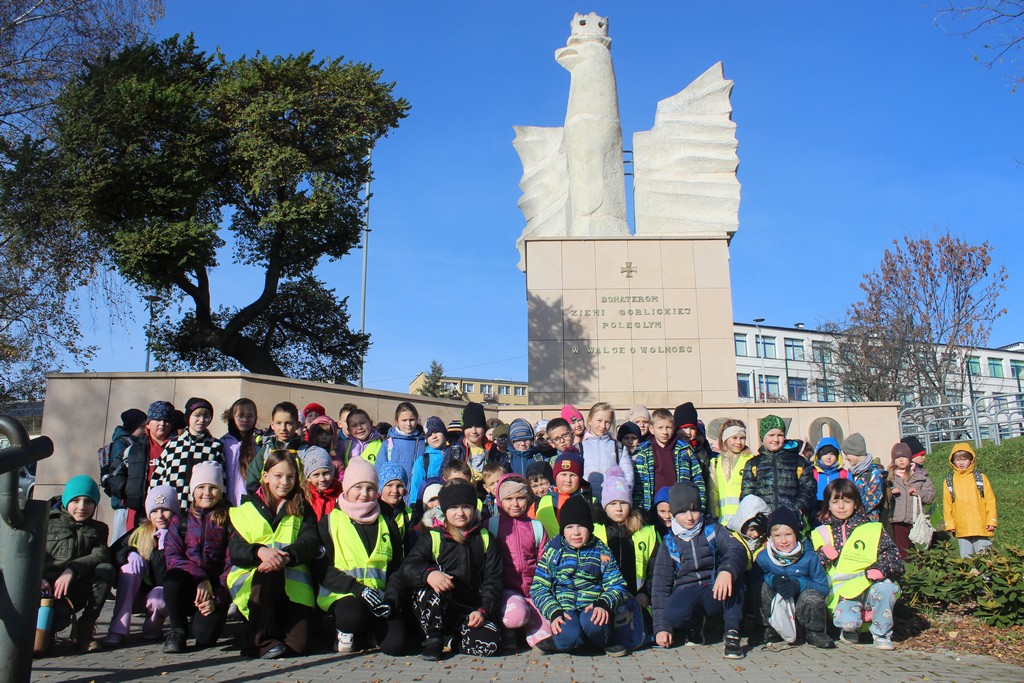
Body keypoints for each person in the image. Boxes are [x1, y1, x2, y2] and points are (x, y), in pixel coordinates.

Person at [229, 450, 320, 659]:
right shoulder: (246, 509)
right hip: (255, 584)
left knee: (299, 646)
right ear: (265, 476)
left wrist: (285, 557)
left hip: (292, 586)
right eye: (278, 476)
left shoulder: (302, 507)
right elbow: (235, 549)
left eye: (290, 477)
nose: (285, 482)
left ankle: (275, 633)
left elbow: (310, 542)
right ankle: (257, 643)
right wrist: (259, 551)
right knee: (267, 572)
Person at [400, 480, 504, 661]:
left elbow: (493, 579)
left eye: (466, 507)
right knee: (430, 587)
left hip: (469, 609)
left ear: (474, 508)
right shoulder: (433, 536)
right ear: (445, 510)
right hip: (438, 608)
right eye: (454, 507)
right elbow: (407, 568)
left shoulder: (485, 538)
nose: (460, 513)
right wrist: (429, 574)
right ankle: (433, 638)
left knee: (489, 643)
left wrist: (482, 610)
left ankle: (452, 641)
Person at [317, 457, 407, 656]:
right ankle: (344, 633)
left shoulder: (387, 521)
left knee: (396, 644)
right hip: (346, 594)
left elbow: (396, 567)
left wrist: (392, 598)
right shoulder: (330, 521)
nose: (364, 494)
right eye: (358, 487)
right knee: (352, 617)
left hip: (379, 596)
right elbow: (323, 569)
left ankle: (369, 632)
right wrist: (358, 590)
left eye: (370, 488)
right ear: (347, 489)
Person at [651, 482, 746, 659]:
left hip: (714, 588)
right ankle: (695, 625)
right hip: (687, 590)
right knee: (673, 613)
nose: (689, 517)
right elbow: (660, 587)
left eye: (694, 510)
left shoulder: (713, 529)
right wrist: (661, 628)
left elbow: (736, 549)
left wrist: (726, 571)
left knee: (735, 576)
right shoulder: (669, 543)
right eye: (682, 512)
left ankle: (732, 633)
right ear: (674, 514)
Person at [530, 496, 629, 656]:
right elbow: (539, 587)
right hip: (564, 609)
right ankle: (561, 641)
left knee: (593, 622)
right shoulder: (553, 550)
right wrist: (553, 611)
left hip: (592, 607)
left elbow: (617, 585)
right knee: (568, 635)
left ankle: (604, 641)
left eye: (581, 526)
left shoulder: (601, 551)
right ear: (563, 530)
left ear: (589, 528)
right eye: (569, 527)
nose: (576, 532)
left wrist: (603, 603)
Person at [812, 479, 903, 650]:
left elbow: (894, 557)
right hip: (842, 594)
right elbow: (810, 567)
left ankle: (882, 634)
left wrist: (881, 569)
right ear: (828, 505)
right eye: (835, 502)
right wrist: (823, 556)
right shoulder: (820, 532)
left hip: (870, 586)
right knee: (849, 622)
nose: (841, 506)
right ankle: (850, 630)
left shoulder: (873, 529)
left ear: (855, 503)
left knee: (887, 588)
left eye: (847, 501)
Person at [162, 462, 232, 653]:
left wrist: (217, 595)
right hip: (189, 583)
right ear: (193, 490)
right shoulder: (180, 521)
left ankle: (205, 618)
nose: (207, 493)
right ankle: (178, 629)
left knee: (205, 637)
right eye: (201, 487)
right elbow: (173, 557)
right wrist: (200, 578)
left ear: (221, 491)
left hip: (216, 589)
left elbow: (232, 562)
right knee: (172, 578)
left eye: (213, 488)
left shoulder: (230, 520)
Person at [42, 475, 113, 653]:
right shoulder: (46, 522)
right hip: (45, 591)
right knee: (40, 644)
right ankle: (44, 633)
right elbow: (31, 554)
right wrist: (38, 578)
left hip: (76, 588)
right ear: (66, 501)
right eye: (75, 500)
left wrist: (72, 569)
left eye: (88, 501)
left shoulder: (99, 529)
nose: (82, 507)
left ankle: (85, 629)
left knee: (106, 570)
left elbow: (100, 554)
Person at [102, 484, 176, 647]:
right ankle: (117, 629)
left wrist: (165, 547)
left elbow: (167, 575)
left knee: (159, 598)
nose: (160, 516)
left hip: (162, 596)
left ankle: (153, 629)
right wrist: (129, 553)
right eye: (155, 511)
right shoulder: (139, 533)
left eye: (165, 510)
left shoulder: (179, 534)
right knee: (129, 568)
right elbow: (113, 552)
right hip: (134, 594)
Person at [593, 469, 658, 652]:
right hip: (604, 598)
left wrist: (646, 593)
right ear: (605, 506)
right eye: (613, 503)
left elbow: (655, 569)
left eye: (623, 503)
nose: (619, 508)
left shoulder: (646, 532)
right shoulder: (595, 531)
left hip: (637, 598)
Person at [488, 474, 552, 650]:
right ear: (500, 501)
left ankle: (528, 628)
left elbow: (544, 561)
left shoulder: (536, 526)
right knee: (515, 615)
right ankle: (510, 629)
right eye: (509, 499)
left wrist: (542, 589)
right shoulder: (492, 526)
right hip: (506, 590)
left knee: (547, 639)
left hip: (534, 590)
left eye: (520, 498)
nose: (515, 504)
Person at [756, 507, 832, 649]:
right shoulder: (763, 557)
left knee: (811, 595)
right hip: (778, 613)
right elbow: (754, 581)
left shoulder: (809, 557)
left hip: (801, 613)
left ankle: (814, 632)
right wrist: (773, 579)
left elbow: (823, 588)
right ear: (770, 537)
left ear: (796, 534)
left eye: (788, 534)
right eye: (777, 535)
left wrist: (799, 584)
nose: (783, 540)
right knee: (763, 587)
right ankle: (770, 630)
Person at [150, 397, 225, 512]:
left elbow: (222, 480)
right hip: (174, 509)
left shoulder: (215, 446)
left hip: (201, 512)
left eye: (206, 416)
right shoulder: (173, 445)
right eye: (197, 415)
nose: (201, 420)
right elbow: (157, 478)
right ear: (188, 417)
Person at [740, 415, 816, 520]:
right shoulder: (753, 463)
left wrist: (796, 509)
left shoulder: (799, 462)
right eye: (771, 435)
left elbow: (809, 488)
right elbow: (747, 495)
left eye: (780, 435)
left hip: (791, 520)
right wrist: (756, 517)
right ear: (763, 437)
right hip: (763, 522)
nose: (776, 439)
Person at [632, 408, 704, 512]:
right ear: (651, 429)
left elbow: (698, 480)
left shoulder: (684, 450)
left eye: (668, 428)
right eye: (660, 428)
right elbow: (639, 485)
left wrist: (700, 507)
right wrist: (639, 511)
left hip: (680, 507)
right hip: (651, 508)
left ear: (674, 428)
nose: (665, 432)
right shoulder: (643, 451)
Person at [123, 401, 177, 528]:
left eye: (166, 420)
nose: (162, 424)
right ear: (148, 424)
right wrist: (128, 492)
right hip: (139, 511)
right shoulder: (134, 449)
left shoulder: (179, 447)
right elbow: (114, 475)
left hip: (167, 514)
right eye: (157, 419)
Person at [725, 495, 770, 639]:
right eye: (751, 529)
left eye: (760, 529)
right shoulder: (730, 537)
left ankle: (762, 625)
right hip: (739, 579)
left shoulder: (767, 540)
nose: (755, 534)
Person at [942, 442, 997, 558]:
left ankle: (988, 571)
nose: (961, 463)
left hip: (980, 525)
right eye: (958, 460)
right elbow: (947, 504)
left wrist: (991, 520)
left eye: (965, 459)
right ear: (953, 461)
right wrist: (950, 523)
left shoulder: (980, 478)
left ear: (971, 460)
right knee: (966, 557)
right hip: (961, 527)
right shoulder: (949, 481)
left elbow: (990, 500)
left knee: (985, 556)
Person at [886, 442, 935, 559]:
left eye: (904, 457)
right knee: (902, 551)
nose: (901, 460)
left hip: (916, 519)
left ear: (909, 458)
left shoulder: (921, 475)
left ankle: (920, 568)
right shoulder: (889, 477)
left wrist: (919, 493)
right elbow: (882, 496)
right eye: (897, 458)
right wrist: (890, 493)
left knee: (919, 550)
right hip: (897, 520)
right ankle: (906, 568)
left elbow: (930, 495)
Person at [579, 402, 633, 501]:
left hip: (613, 502)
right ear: (590, 420)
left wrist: (623, 497)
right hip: (586, 501)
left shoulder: (618, 447)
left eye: (607, 422)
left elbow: (628, 475)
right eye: (599, 421)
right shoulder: (580, 448)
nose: (603, 426)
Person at [246, 402, 306, 490]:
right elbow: (252, 479)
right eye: (278, 423)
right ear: (272, 425)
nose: (283, 428)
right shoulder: (265, 451)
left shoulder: (305, 451)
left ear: (297, 425)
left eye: (288, 423)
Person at [532, 449, 590, 539]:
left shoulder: (589, 501)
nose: (568, 480)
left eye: (573, 475)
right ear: (555, 477)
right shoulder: (540, 502)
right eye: (563, 474)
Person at [709, 419, 755, 524]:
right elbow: (713, 493)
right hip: (723, 523)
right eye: (734, 438)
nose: (738, 442)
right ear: (725, 439)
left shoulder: (751, 460)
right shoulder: (716, 462)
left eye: (742, 438)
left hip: (745, 523)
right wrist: (713, 517)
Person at [221, 398, 259, 506]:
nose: (245, 420)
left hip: (246, 505)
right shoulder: (223, 444)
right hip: (224, 504)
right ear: (232, 417)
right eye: (240, 416)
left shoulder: (258, 448)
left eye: (250, 416)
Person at [841, 433, 886, 523]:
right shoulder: (852, 473)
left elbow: (873, 499)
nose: (845, 458)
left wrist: (853, 511)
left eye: (847, 454)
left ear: (855, 452)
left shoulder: (874, 473)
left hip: (868, 521)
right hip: (851, 521)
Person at [410, 416, 450, 510]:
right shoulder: (423, 460)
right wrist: (414, 504)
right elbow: (416, 484)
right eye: (429, 435)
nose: (434, 436)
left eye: (436, 432)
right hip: (431, 506)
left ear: (444, 433)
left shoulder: (453, 453)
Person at [378, 401, 425, 479]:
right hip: (394, 486)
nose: (408, 424)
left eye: (412, 420)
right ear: (397, 421)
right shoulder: (388, 444)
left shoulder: (424, 443)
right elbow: (380, 470)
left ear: (417, 419)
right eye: (404, 420)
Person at [674, 402, 713, 488]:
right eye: (684, 428)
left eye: (692, 428)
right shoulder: (671, 449)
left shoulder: (702, 451)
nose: (688, 432)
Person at [378, 462, 413, 551]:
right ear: (381, 487)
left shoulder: (409, 515)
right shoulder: (374, 513)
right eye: (389, 485)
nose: (395, 490)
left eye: (400, 486)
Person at [450, 402, 491, 476]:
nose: (474, 431)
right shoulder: (455, 450)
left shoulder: (492, 450)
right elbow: (444, 474)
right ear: (464, 429)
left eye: (478, 426)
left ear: (484, 429)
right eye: (469, 427)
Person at [301, 446, 342, 521]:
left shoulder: (341, 493)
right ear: (308, 477)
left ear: (332, 472)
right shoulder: (303, 497)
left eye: (326, 473)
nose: (322, 479)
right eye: (316, 475)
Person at [811, 437, 848, 502]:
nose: (828, 457)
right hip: (817, 506)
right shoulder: (812, 474)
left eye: (832, 454)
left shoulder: (845, 474)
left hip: (838, 506)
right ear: (819, 455)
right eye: (825, 453)